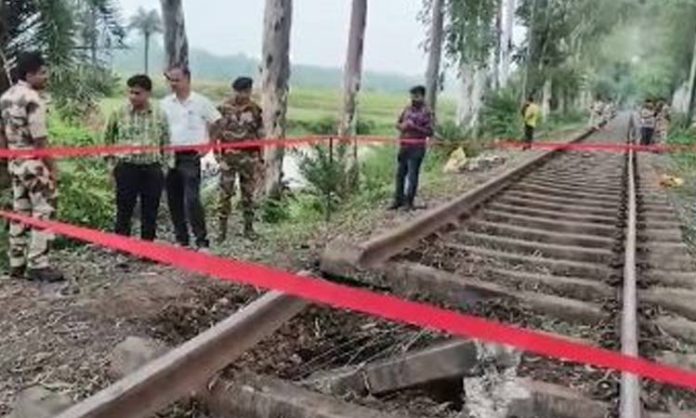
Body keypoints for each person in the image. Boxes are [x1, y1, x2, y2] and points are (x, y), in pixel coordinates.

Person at [0, 51, 63, 282]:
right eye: (42, 73)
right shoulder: (33, 99)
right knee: (44, 210)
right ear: (30, 74)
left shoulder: (6, 96)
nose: (46, 77)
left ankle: (16, 262)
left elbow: (2, 135)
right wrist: (53, 169)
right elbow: (40, 141)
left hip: (15, 163)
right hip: (33, 164)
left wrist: (9, 159)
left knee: (20, 212)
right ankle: (38, 264)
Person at [160, 67, 221, 250]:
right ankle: (181, 239)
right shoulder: (164, 103)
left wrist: (209, 145)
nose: (173, 84)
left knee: (192, 199)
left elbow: (217, 122)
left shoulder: (201, 102)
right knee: (173, 198)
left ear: (187, 79)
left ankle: (202, 241)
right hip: (170, 155)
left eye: (177, 80)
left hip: (191, 156)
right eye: (170, 80)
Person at [103, 75, 169, 242]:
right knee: (124, 209)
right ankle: (122, 247)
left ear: (148, 93)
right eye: (130, 92)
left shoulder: (159, 114)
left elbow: (166, 142)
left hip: (152, 168)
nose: (133, 96)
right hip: (127, 167)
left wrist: (166, 167)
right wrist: (110, 166)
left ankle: (147, 248)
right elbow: (108, 139)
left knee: (150, 210)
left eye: (137, 93)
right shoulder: (118, 113)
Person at [213, 77, 264, 241]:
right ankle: (221, 232)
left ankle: (248, 230)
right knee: (224, 195)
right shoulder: (223, 108)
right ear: (233, 90)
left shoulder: (255, 109)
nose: (241, 95)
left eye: (245, 91)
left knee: (248, 195)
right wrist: (216, 155)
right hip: (228, 159)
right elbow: (214, 134)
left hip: (249, 159)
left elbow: (260, 135)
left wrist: (260, 159)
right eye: (238, 91)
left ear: (250, 91)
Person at [389, 85, 434, 211]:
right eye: (412, 95)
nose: (414, 98)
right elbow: (397, 124)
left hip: (417, 148)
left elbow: (430, 132)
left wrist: (414, 126)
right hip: (404, 146)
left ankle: (409, 202)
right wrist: (402, 126)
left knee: (412, 175)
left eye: (417, 95)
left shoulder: (427, 112)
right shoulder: (407, 109)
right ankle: (398, 200)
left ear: (422, 96)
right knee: (400, 174)